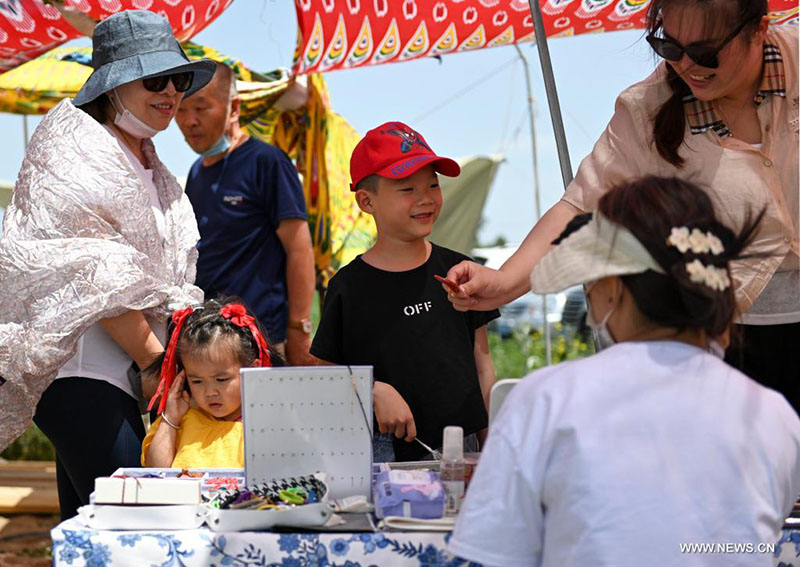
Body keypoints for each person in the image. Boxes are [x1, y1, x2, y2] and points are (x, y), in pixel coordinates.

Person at [446, 0, 799, 410]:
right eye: (669, 47)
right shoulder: (648, 109)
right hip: (725, 339)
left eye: (705, 52)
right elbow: (581, 205)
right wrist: (505, 281)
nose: (686, 65)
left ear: (759, 29)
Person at [448, 176, 800, 567]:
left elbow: (496, 552)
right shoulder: (773, 415)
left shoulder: (548, 400)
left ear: (613, 287)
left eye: (591, 281)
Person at [0, 10, 215, 519]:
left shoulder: (144, 158)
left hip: (116, 373)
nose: (171, 92)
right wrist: (154, 361)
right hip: (82, 373)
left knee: (94, 529)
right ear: (112, 85)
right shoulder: (73, 150)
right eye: (154, 79)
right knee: (139, 522)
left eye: (179, 78)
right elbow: (91, 272)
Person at [310, 122, 499, 462]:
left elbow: (483, 367)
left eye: (432, 184)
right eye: (407, 189)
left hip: (464, 452)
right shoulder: (348, 286)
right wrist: (371, 390)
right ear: (367, 201)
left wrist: (494, 448)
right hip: (384, 458)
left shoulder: (461, 271)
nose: (426, 198)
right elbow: (327, 377)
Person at [175, 62, 315, 366]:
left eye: (200, 108)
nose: (189, 121)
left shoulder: (267, 162)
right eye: (181, 110)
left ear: (234, 108)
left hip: (262, 340)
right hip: (212, 342)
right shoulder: (197, 172)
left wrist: (300, 331)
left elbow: (300, 249)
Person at [142, 299, 282, 468]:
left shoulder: (267, 425)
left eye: (221, 380)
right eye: (197, 381)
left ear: (252, 371)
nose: (210, 392)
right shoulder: (183, 420)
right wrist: (170, 418)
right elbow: (156, 471)